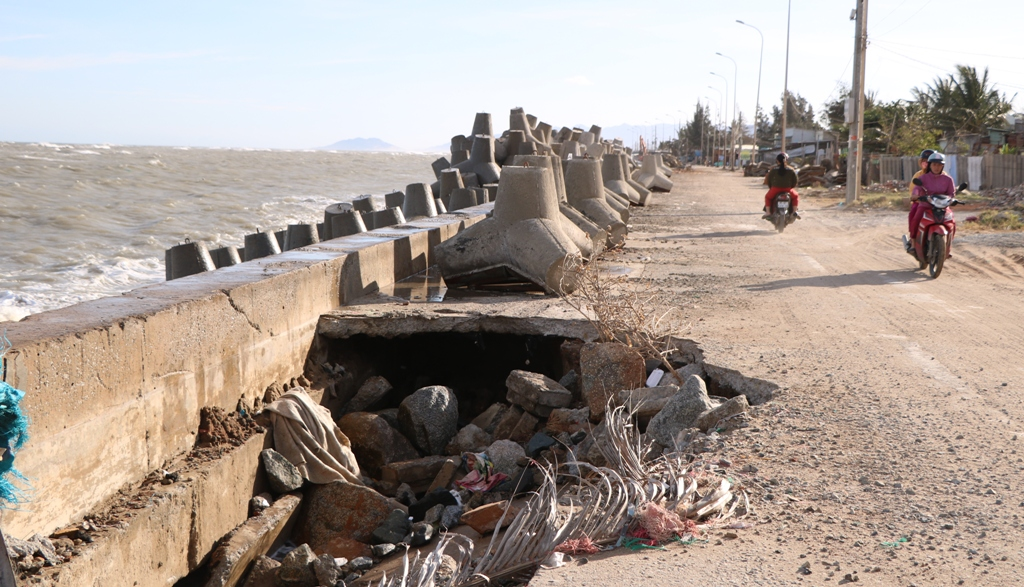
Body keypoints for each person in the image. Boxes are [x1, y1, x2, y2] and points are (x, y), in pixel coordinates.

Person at [904, 151, 955, 252]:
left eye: (939, 165)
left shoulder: (948, 179)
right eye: (934, 164)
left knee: (952, 222)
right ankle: (913, 242)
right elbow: (917, 189)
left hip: (942, 206)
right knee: (916, 219)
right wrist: (916, 195)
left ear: (943, 166)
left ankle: (948, 247)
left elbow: (951, 193)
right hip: (925, 205)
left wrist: (951, 199)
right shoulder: (922, 178)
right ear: (930, 165)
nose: (936, 167)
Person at [762, 153, 800, 219]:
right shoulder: (791, 169)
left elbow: (769, 180)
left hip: (775, 189)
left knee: (768, 197)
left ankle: (768, 212)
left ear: (777, 160)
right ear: (786, 160)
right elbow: (795, 181)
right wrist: (791, 187)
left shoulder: (773, 169)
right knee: (795, 196)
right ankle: (794, 211)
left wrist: (771, 187)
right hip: (788, 189)